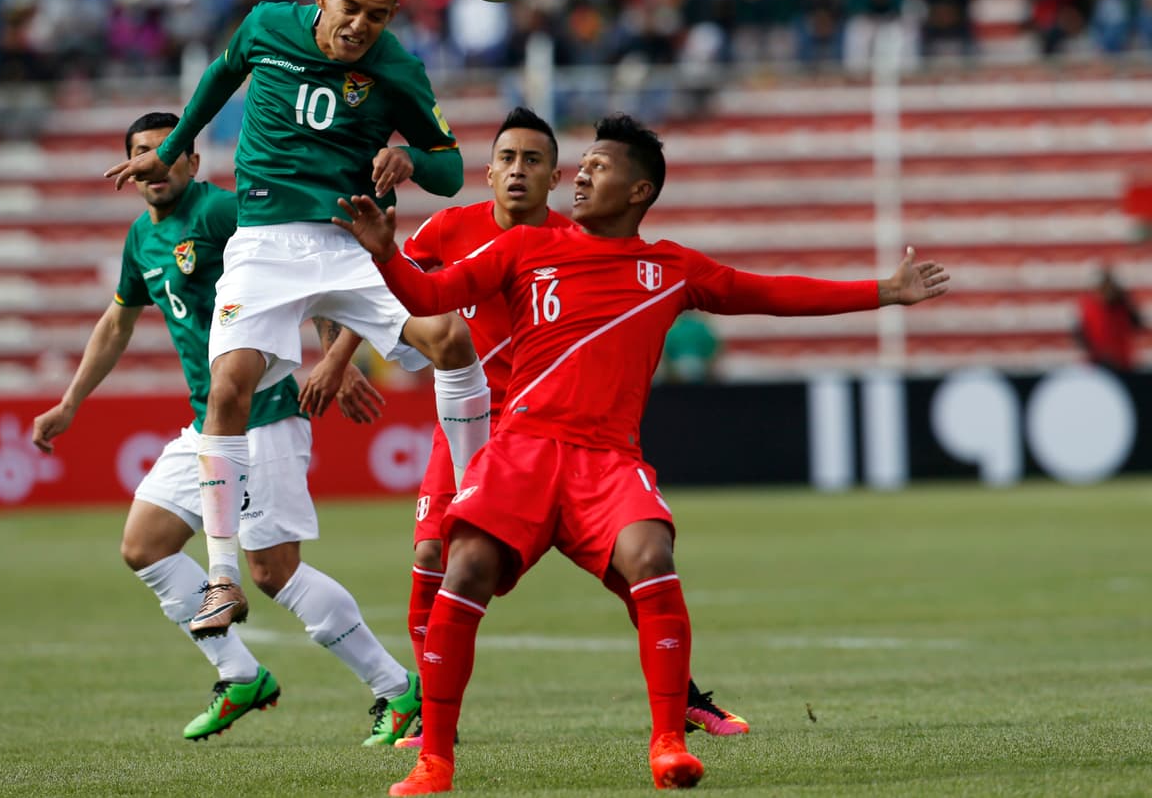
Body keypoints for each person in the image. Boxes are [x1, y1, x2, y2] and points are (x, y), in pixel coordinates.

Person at [334, 113, 950, 794]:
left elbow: (769, 292)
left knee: (651, 555)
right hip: (524, 447)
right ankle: (435, 760)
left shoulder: (672, 268)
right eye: (584, 164)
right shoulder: (525, 249)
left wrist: (885, 292)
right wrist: (385, 254)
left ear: (639, 191)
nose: (583, 175)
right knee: (465, 564)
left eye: (599, 166)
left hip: (606, 459)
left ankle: (667, 743)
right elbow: (431, 294)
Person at [103, 0, 491, 685]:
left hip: (352, 241)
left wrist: (412, 159)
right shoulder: (265, 28)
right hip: (265, 243)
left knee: (450, 337)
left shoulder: (397, 68)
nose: (361, 27)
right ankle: (221, 575)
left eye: (378, 16)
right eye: (351, 8)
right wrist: (174, 144)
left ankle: (472, 503)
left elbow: (448, 164)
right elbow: (220, 76)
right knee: (228, 388)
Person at [34, 112, 423, 745]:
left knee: (273, 573)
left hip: (263, 417)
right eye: (141, 154)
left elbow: (306, 267)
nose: (154, 163)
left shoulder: (221, 213)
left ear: (191, 161)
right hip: (207, 428)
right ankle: (240, 674)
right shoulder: (142, 238)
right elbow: (116, 324)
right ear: (130, 169)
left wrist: (335, 357)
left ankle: (397, 690)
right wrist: (70, 402)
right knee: (145, 545)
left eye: (168, 151)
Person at [395, 107, 746, 751]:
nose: (518, 171)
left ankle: (683, 698)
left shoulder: (574, 239)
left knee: (635, 563)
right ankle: (426, 713)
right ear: (491, 168)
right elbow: (394, 296)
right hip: (476, 416)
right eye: (507, 159)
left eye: (534, 161)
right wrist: (339, 357)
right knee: (433, 555)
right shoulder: (449, 228)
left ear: (554, 177)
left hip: (562, 432)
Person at [1076, 265, 1143, 372]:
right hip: (1097, 362)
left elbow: (1138, 324)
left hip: (1122, 361)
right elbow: (1081, 335)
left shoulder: (1123, 305)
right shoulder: (1087, 306)